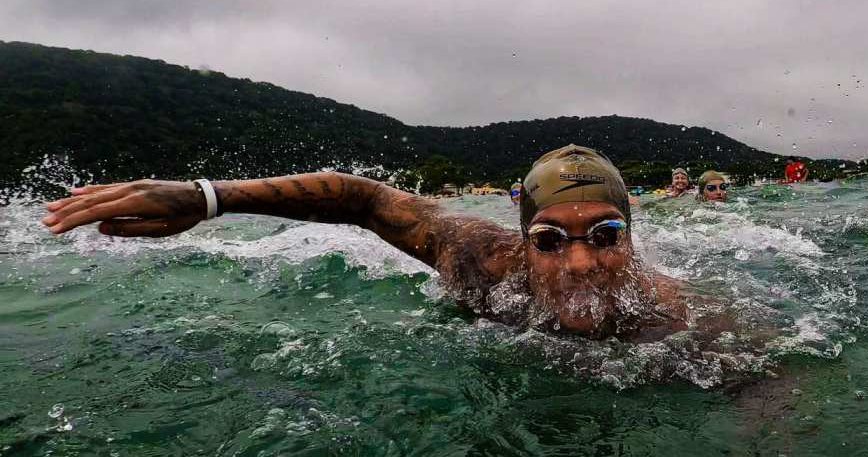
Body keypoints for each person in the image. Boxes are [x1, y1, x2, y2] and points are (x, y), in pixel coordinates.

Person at [42, 145, 688, 339]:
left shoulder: (673, 318)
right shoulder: (481, 261)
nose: (580, 262)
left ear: (631, 240)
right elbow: (364, 199)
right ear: (522, 243)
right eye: (549, 240)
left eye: (606, 236)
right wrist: (207, 197)